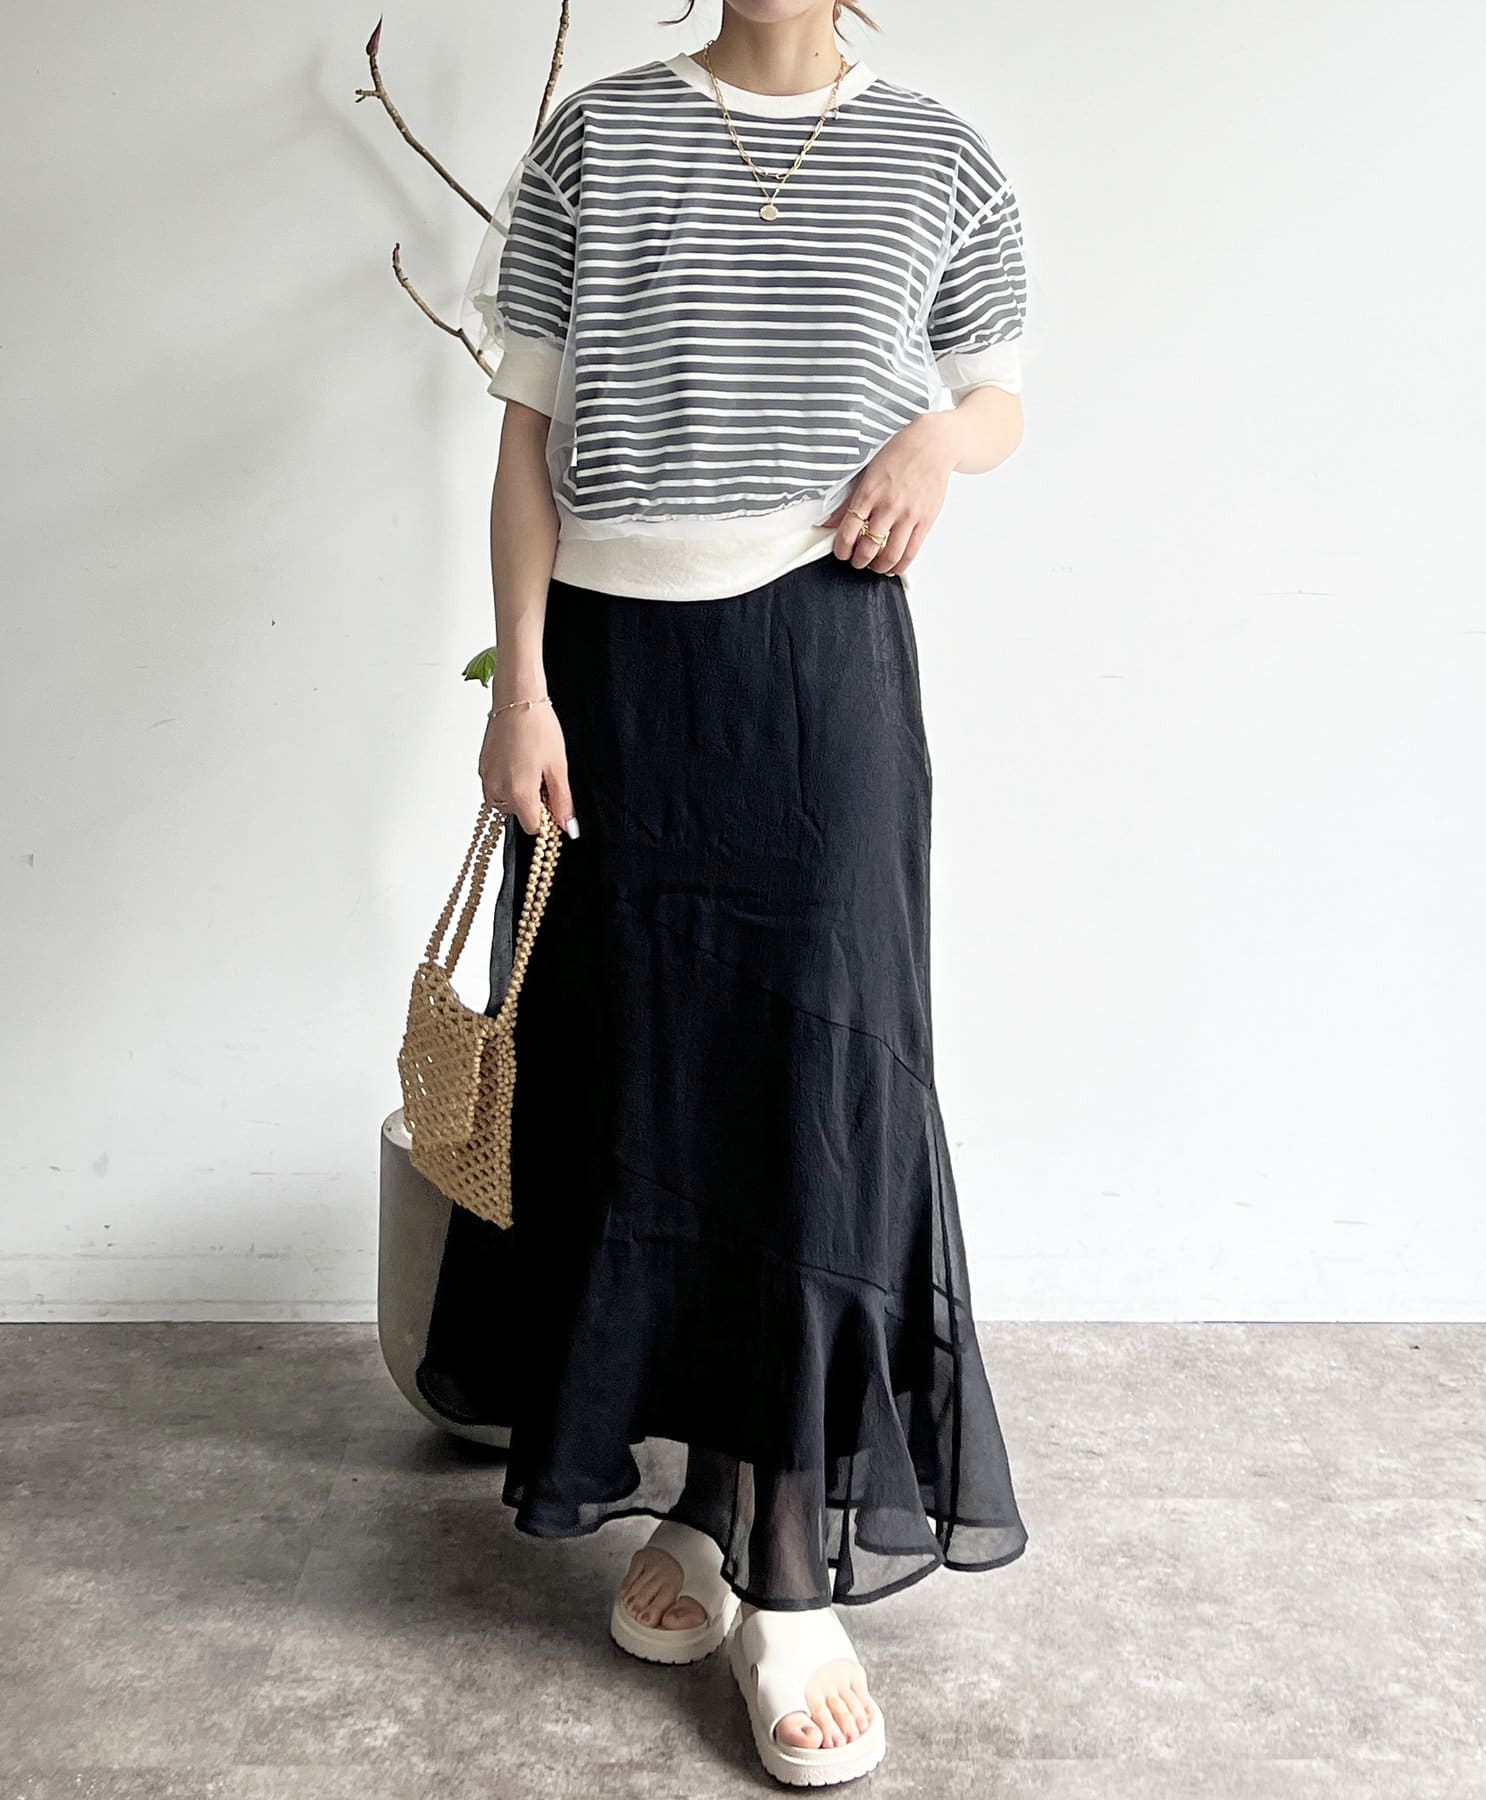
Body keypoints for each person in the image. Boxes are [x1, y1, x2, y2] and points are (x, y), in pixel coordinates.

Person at [416, 0, 1031, 1785]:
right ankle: (698, 1502)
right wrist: (520, 690)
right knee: (641, 1084)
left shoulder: (939, 152)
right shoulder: (601, 137)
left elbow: (998, 390)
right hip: (613, 679)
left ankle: (786, 1577)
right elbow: (527, 436)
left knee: (808, 1084)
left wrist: (936, 444)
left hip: (819, 668)